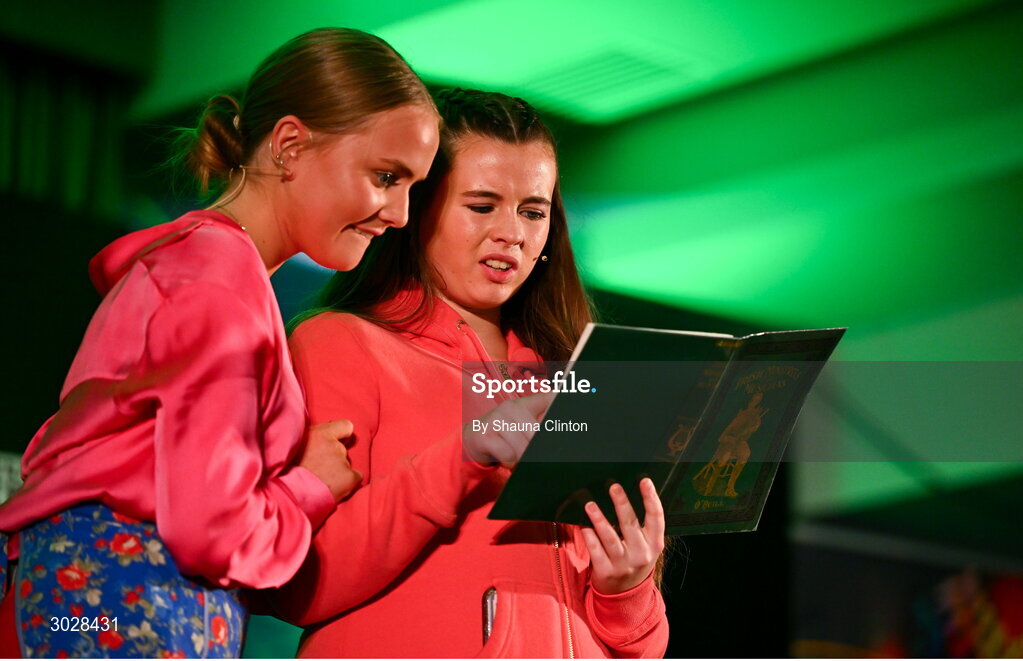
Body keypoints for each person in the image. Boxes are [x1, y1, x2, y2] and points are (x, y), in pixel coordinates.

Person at [0, 28, 439, 658]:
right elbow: (213, 529)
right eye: (385, 175)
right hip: (123, 616)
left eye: (411, 187)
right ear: (289, 144)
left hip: (78, 612)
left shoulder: (199, 264)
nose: (398, 212)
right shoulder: (220, 288)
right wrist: (307, 485)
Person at [274, 89, 669, 657]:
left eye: (533, 211)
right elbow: (296, 584)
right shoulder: (341, 342)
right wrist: (464, 455)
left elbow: (640, 644)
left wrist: (626, 588)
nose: (512, 232)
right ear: (418, 210)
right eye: (482, 206)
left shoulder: (573, 378)